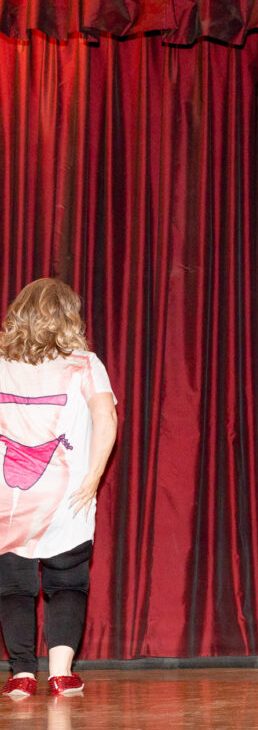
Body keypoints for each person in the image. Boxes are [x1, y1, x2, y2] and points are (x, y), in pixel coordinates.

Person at [0, 279, 117, 697]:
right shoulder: (84, 363)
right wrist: (94, 476)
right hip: (66, 492)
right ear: (69, 315)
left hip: (7, 500)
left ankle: (21, 675)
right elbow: (106, 418)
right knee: (66, 582)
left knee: (14, 585)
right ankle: (61, 673)